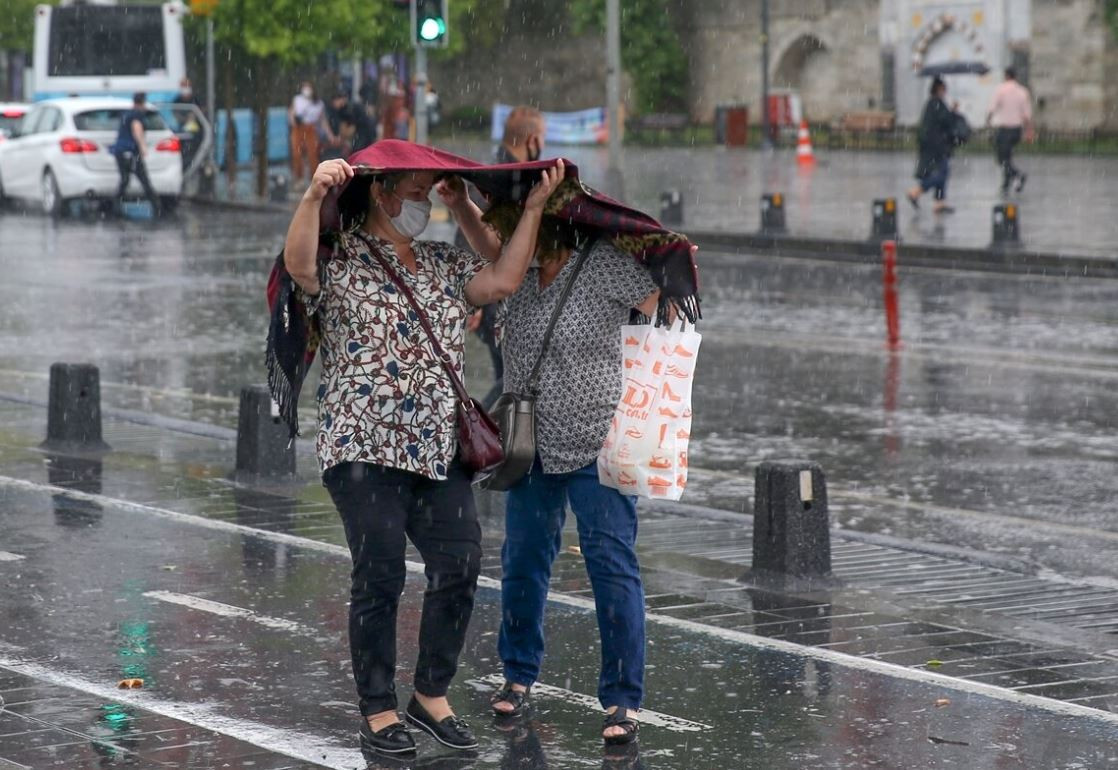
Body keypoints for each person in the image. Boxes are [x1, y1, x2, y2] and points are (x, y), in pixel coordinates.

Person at [282, 148, 564, 756]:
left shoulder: (441, 262)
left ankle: (430, 696)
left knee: (461, 562)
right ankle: (379, 708)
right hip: (362, 446)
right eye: (417, 192)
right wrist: (311, 197)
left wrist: (501, 206)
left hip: (439, 449)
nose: (423, 204)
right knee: (379, 570)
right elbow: (298, 265)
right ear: (382, 193)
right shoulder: (343, 257)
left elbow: (505, 275)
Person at [486, 213, 695, 746]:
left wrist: (667, 259)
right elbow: (486, 247)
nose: (514, 236)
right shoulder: (520, 272)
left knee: (611, 565)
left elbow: (665, 307)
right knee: (524, 561)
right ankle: (518, 672)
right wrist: (461, 204)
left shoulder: (601, 266)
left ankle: (622, 698)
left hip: (598, 443)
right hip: (530, 444)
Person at [462, 106, 548, 407]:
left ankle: (499, 439)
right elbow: (470, 232)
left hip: (495, 298)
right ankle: (476, 431)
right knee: (516, 378)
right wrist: (474, 303)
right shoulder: (507, 180)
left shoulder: (497, 173)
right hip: (496, 300)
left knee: (510, 375)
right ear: (533, 140)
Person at [907, 77, 958, 214]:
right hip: (937, 145)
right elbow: (945, 121)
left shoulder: (932, 103)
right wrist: (953, 111)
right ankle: (916, 192)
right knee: (941, 173)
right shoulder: (936, 103)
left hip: (932, 144)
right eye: (943, 88)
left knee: (943, 172)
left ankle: (939, 203)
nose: (945, 91)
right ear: (939, 89)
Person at [109, 92, 161, 217]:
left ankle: (114, 206)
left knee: (125, 179)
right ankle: (157, 207)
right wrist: (143, 147)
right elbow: (136, 128)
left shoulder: (126, 113)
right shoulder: (137, 115)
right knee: (143, 179)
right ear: (143, 102)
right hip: (131, 152)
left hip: (121, 151)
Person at [986, 67, 1034, 194]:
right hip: (1016, 130)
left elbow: (992, 107)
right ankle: (1006, 182)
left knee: (1001, 158)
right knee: (1007, 156)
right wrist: (1029, 131)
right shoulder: (1023, 91)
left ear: (1006, 76)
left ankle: (1018, 175)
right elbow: (1027, 115)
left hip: (1004, 129)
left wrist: (988, 121)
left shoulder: (1001, 90)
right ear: (1015, 76)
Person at [289, 81, 329, 184]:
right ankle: (299, 177)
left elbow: (323, 120)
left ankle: (314, 177)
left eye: (308, 87)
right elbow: (291, 113)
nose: (306, 90)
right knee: (296, 153)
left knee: (312, 153)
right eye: (304, 87)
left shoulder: (318, 103)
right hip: (298, 127)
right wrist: (293, 121)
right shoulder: (297, 99)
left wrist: (330, 134)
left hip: (311, 128)